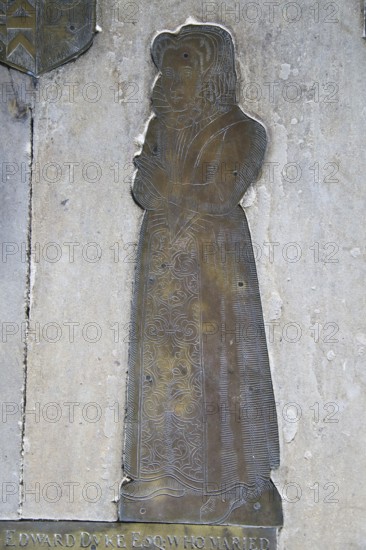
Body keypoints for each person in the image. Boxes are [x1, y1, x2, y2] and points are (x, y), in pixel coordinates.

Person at [120, 24, 282, 526]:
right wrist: (170, 188)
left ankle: (229, 484)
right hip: (165, 256)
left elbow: (217, 195)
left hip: (214, 266)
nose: (169, 75)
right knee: (161, 364)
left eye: (183, 62)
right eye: (166, 65)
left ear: (211, 72)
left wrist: (172, 188)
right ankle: (158, 474)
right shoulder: (162, 128)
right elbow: (148, 187)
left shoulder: (242, 132)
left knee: (221, 369)